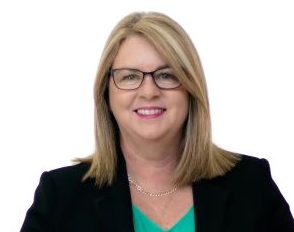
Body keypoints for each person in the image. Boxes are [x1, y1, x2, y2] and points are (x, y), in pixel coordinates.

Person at [20, 11, 294, 232]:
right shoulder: (59, 196)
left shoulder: (252, 184)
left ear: (191, 88)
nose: (149, 91)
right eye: (129, 76)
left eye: (166, 75)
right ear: (107, 93)